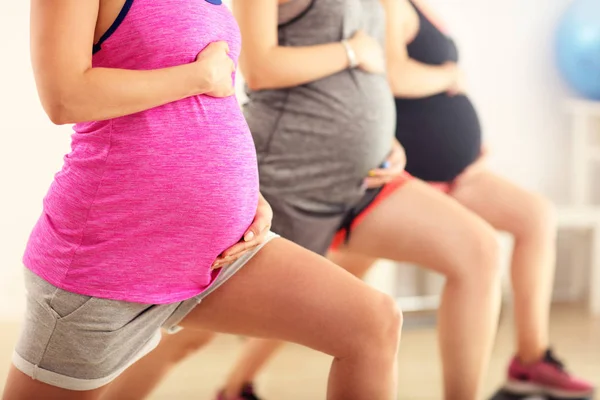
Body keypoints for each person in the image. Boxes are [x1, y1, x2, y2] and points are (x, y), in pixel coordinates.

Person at [0, 1, 403, 400]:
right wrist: (197, 76)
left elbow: (212, 102)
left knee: (372, 324)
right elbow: (64, 97)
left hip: (220, 254)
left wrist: (249, 192)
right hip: (109, 257)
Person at [103, 0, 502, 399]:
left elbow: (372, 70)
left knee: (478, 251)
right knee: (189, 334)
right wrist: (348, 52)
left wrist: (385, 136)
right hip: (286, 179)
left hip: (364, 179)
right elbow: (259, 68)